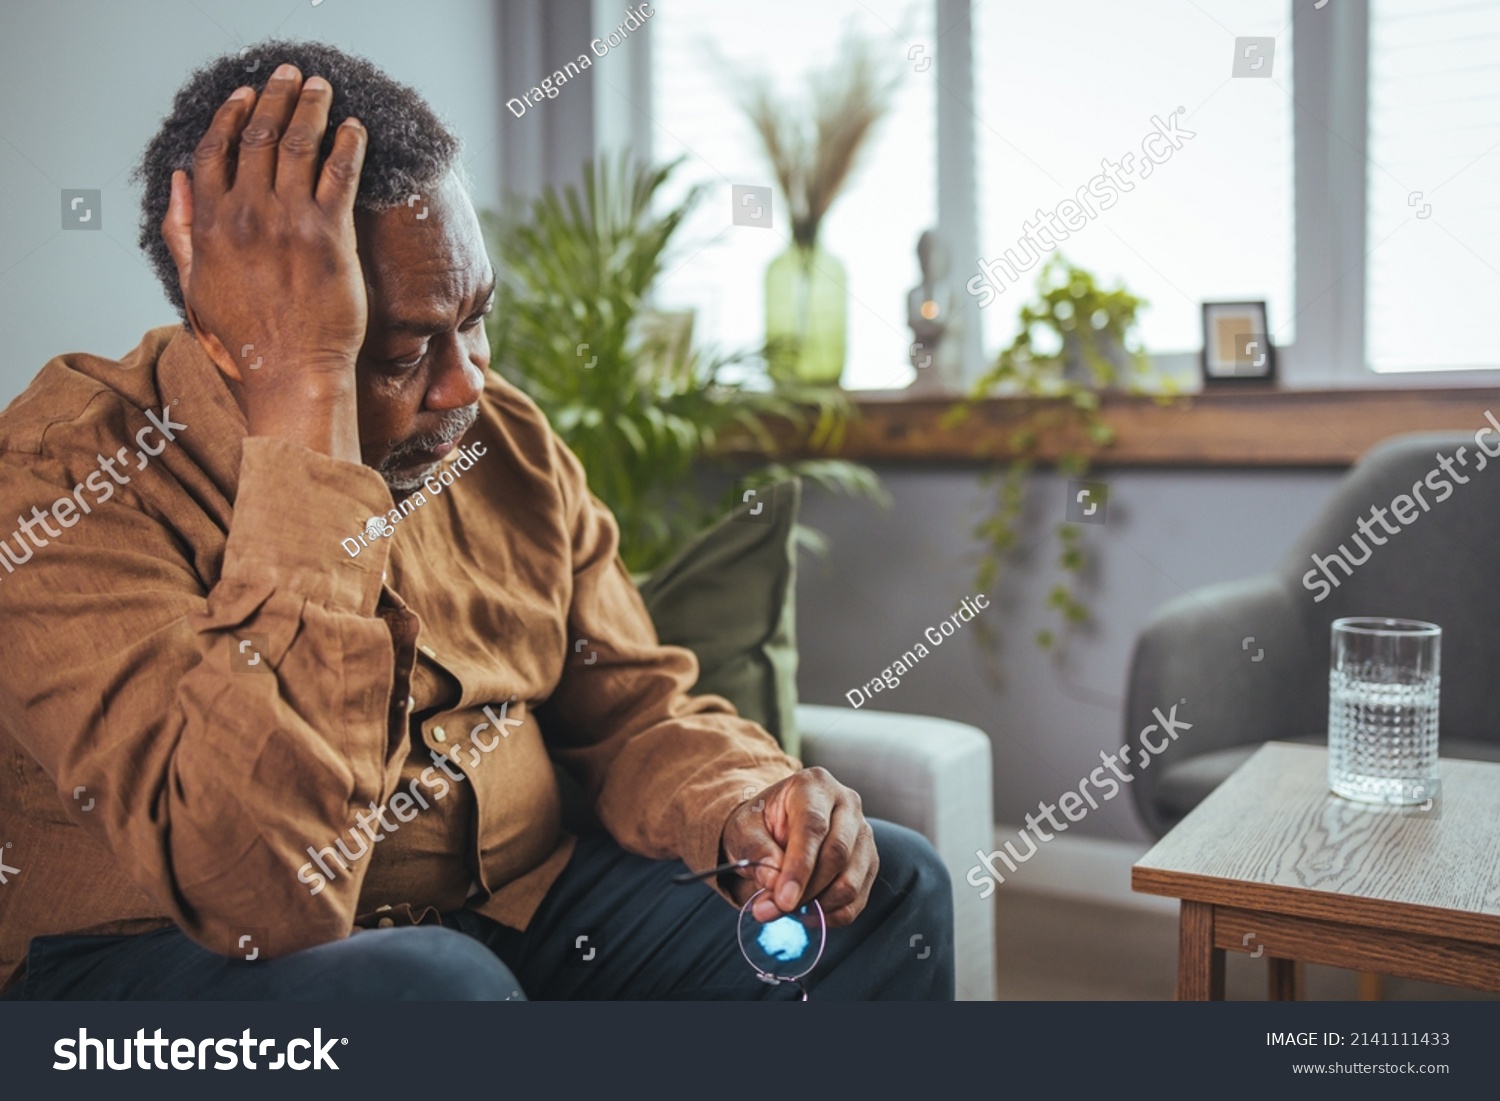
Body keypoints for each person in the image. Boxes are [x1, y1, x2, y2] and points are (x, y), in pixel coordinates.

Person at [0, 41, 953, 1001]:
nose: (466, 384)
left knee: (893, 890)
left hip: (513, 909)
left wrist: (747, 797)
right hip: (160, 955)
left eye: (476, 318)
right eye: (401, 351)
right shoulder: (64, 477)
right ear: (232, 327)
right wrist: (306, 404)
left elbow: (633, 712)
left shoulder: (508, 443)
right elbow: (261, 890)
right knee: (434, 986)